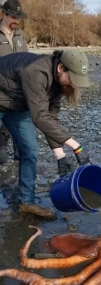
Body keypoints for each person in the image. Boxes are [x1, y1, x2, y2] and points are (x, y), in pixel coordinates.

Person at [0, 50, 92, 219]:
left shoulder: (58, 84)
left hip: (15, 106)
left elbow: (51, 118)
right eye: (73, 78)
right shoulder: (36, 71)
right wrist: (77, 147)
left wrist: (60, 155)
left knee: (30, 150)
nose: (74, 84)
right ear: (60, 68)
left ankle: (26, 203)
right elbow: (39, 117)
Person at [0, 0, 28, 163]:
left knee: (19, 125)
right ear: (4, 14)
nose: (16, 21)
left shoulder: (20, 35)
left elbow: (26, 60)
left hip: (19, 90)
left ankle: (19, 154)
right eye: (13, 17)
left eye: (18, 17)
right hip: (1, 90)